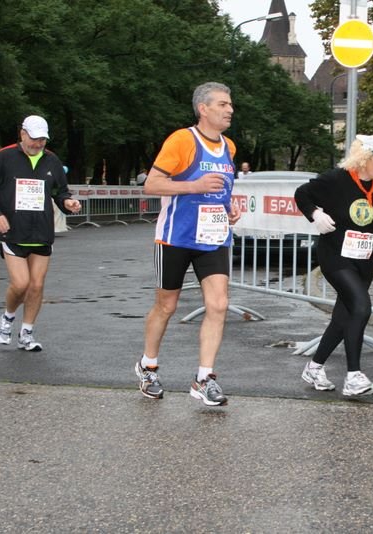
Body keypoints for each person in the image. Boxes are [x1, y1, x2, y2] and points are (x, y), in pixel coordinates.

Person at [135, 81, 241, 407]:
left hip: (213, 238)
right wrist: (194, 186)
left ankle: (204, 378)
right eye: (222, 104)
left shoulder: (230, 147)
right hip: (176, 237)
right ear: (203, 109)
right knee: (166, 306)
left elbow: (220, 190)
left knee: (219, 304)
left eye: (230, 104)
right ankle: (148, 366)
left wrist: (229, 207)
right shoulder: (182, 140)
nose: (230, 109)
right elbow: (151, 184)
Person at [294, 134, 373, 396]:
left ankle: (314, 367)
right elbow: (302, 193)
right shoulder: (335, 179)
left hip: (364, 260)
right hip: (335, 256)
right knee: (361, 307)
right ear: (364, 157)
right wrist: (315, 214)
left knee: (344, 317)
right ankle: (354, 376)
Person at [0, 115, 82, 351]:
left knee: (36, 285)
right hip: (13, 231)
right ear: (22, 134)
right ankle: (7, 318)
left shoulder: (51, 160)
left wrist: (68, 203)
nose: (38, 144)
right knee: (21, 283)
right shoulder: (4, 157)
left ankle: (27, 332)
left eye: (42, 140)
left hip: (41, 233)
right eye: (34, 139)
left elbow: (60, 191)